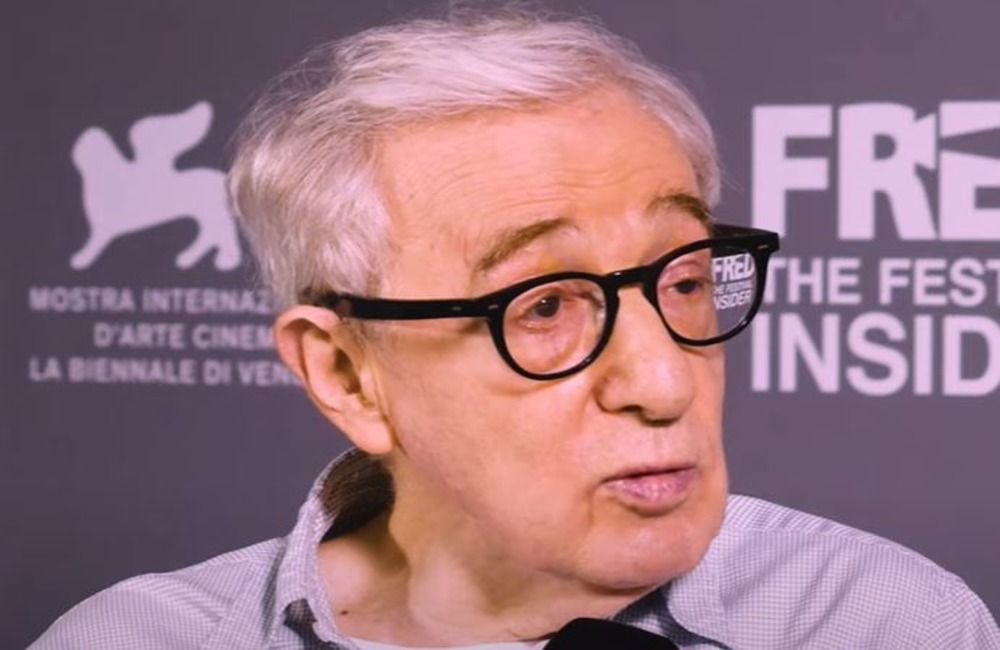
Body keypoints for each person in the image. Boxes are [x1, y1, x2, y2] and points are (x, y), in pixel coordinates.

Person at [33, 7, 1000, 649]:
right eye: (542, 305)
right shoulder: (132, 639)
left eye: (685, 279)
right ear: (347, 375)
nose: (664, 384)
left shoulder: (880, 621)